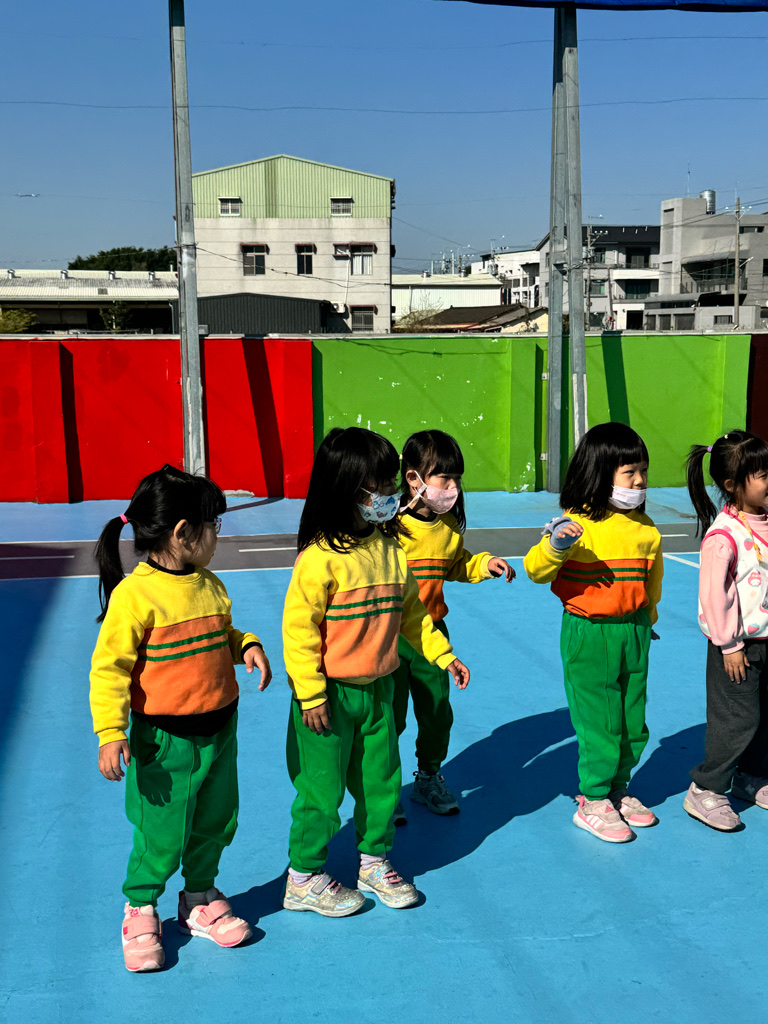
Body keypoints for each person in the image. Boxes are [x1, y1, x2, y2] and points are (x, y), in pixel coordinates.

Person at [282, 427, 470, 917]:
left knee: (381, 784)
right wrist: (310, 695)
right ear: (345, 488)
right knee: (321, 792)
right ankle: (303, 877)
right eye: (380, 485)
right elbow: (299, 633)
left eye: (391, 482)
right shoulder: (319, 559)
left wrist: (443, 655)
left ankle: (373, 861)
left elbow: (414, 616)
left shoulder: (389, 550)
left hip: (379, 692)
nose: (391, 493)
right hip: (328, 700)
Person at [89, 465, 271, 972]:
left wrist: (246, 645)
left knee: (217, 820)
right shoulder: (135, 597)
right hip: (165, 742)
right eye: (214, 524)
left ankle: (198, 898)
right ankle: (140, 906)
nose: (217, 534)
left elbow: (222, 634)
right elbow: (110, 669)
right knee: (161, 831)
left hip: (220, 731)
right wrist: (110, 732)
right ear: (183, 532)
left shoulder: (209, 585)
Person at [523, 422, 663, 843]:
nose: (639, 481)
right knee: (599, 720)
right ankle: (594, 799)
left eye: (643, 471)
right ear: (599, 474)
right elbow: (535, 570)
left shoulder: (646, 528)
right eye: (629, 472)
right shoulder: (574, 524)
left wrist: (648, 620)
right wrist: (556, 545)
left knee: (632, 720)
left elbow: (652, 580)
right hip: (589, 633)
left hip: (634, 631)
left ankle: (619, 788)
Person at [393, 429, 515, 821]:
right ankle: (382, 790)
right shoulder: (390, 527)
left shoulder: (447, 528)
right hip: (389, 641)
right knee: (388, 719)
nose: (453, 488)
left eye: (457, 479)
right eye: (444, 478)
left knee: (436, 714)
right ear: (413, 478)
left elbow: (456, 564)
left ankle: (428, 777)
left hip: (433, 637)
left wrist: (484, 564)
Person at [683, 430, 768, 831]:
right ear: (732, 485)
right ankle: (706, 788)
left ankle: (752, 777)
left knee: (764, 715)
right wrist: (729, 645)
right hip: (738, 647)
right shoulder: (723, 537)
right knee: (737, 719)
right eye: (763, 475)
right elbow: (713, 597)